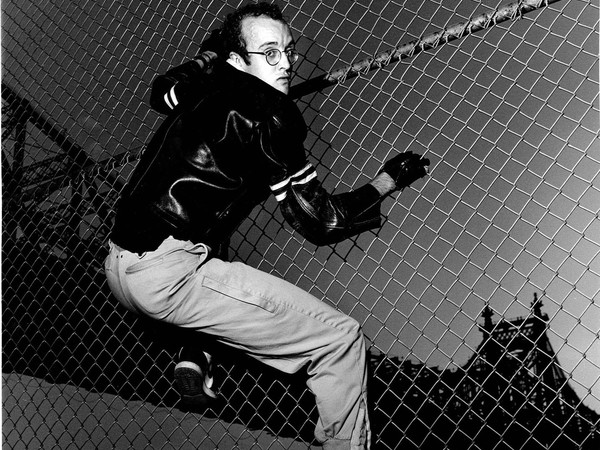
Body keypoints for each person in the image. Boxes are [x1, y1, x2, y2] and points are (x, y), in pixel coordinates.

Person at [104, 2, 429, 449]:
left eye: (289, 51)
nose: (288, 64)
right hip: (170, 276)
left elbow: (162, 92)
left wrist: (208, 57)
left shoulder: (202, 82)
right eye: (270, 53)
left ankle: (195, 350)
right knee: (340, 339)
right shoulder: (273, 114)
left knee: (217, 251)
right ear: (238, 59)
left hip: (119, 266)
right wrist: (386, 181)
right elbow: (320, 222)